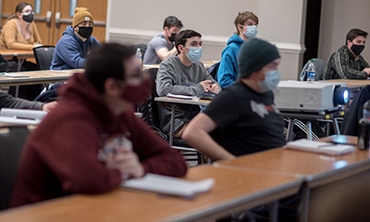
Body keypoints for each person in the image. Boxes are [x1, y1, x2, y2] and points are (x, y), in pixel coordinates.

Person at [10, 43, 188, 207]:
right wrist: (125, 172)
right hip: (44, 213)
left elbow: (176, 162)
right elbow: (89, 180)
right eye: (136, 75)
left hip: (91, 207)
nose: (144, 80)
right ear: (112, 87)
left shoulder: (119, 111)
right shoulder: (70, 117)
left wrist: (140, 168)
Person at [182, 38, 285, 161]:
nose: (276, 72)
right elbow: (192, 133)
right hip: (248, 172)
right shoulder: (233, 96)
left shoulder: (265, 94)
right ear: (255, 68)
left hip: (272, 167)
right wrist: (232, 162)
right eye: (272, 66)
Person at [156, 29, 220, 138]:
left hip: (196, 117)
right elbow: (163, 89)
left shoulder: (198, 66)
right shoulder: (168, 65)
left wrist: (216, 88)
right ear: (181, 48)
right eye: (194, 44)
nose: (198, 48)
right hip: (175, 121)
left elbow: (213, 83)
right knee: (211, 136)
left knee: (228, 129)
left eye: (200, 44)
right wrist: (198, 89)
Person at [217, 11, 259, 89]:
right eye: (250, 24)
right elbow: (224, 81)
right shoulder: (231, 50)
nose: (253, 27)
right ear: (240, 27)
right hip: (236, 94)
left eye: (255, 25)